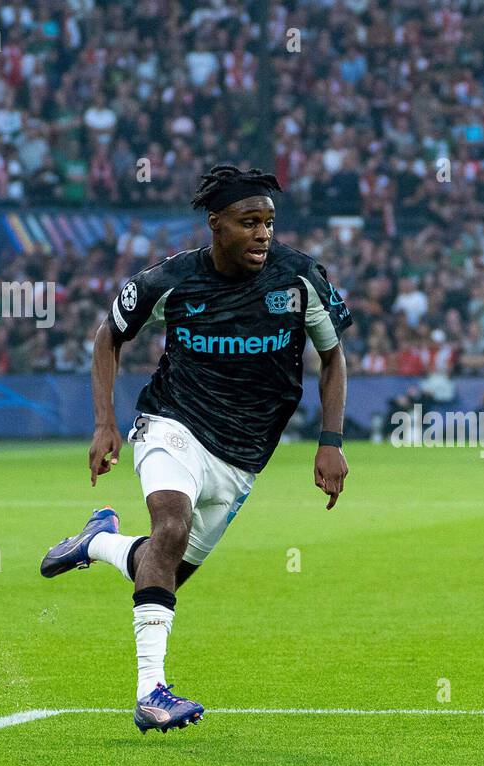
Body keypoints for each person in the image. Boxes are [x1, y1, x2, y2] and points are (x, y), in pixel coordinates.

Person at [38, 164, 351, 734]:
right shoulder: (170, 281)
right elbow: (109, 335)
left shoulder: (300, 278)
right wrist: (104, 423)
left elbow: (331, 357)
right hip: (172, 422)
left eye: (269, 222)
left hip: (243, 454)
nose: (262, 234)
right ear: (216, 224)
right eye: (248, 221)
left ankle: (100, 542)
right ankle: (151, 693)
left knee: (163, 572)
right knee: (171, 525)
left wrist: (330, 442)